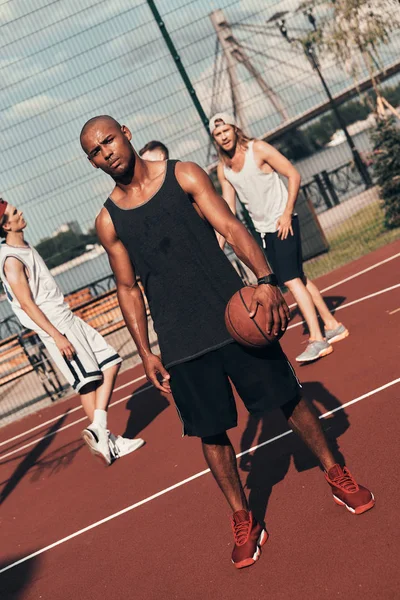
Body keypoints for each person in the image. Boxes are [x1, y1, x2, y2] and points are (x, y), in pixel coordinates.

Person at [79, 115, 374, 569]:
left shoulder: (184, 175)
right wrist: (144, 351)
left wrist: (266, 280)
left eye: (109, 141)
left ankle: (336, 473)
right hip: (180, 339)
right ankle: (242, 518)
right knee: (210, 432)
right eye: (95, 152)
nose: (106, 153)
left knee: (289, 398)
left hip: (234, 316)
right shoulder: (108, 221)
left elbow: (234, 228)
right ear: (93, 163)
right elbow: (126, 288)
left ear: (126, 134)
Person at [0, 198, 144, 466]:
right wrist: (56, 335)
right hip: (56, 324)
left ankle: (99, 429)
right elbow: (27, 305)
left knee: (110, 362)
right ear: (6, 224)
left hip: (66, 317)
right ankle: (107, 440)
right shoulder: (10, 260)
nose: (21, 213)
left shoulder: (23, 248)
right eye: (15, 213)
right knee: (88, 382)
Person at [211, 112, 349, 363]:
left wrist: (287, 214)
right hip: (264, 231)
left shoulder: (258, 149)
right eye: (218, 134)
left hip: (283, 222)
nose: (223, 137)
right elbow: (228, 211)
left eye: (226, 131)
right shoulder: (224, 170)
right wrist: (218, 244)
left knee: (291, 280)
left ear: (234, 129)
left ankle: (318, 339)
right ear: (215, 139)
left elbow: (293, 174)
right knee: (300, 278)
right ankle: (332, 324)